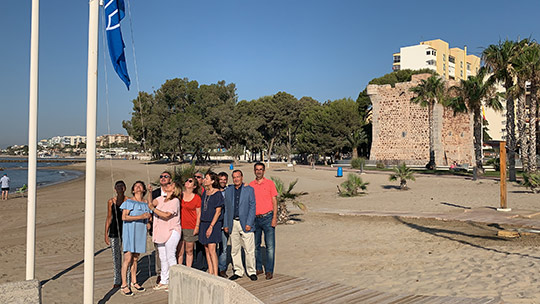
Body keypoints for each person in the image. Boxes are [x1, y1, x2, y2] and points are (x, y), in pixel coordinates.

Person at [223, 170, 257, 281]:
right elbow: (227, 209)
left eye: (238, 177)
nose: (236, 179)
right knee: (235, 249)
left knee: (249, 249)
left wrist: (249, 223)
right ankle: (238, 271)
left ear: (242, 177)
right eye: (234, 177)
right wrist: (226, 224)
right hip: (233, 223)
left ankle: (251, 271)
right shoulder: (228, 190)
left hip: (246, 223)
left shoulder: (249, 190)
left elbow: (252, 207)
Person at [119, 181, 152, 296]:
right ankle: (124, 284)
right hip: (130, 231)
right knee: (127, 258)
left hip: (140, 232)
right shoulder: (129, 202)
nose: (138, 187)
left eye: (140, 186)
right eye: (136, 186)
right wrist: (140, 217)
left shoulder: (146, 203)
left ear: (143, 189)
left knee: (136, 258)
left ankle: (134, 281)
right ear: (133, 190)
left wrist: (147, 221)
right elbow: (124, 217)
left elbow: (148, 216)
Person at [148, 181, 181, 291]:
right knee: (162, 257)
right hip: (160, 231)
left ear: (174, 189)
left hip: (172, 230)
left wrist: (153, 209)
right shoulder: (161, 198)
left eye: (170, 185)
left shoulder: (175, 201)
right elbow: (151, 203)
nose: (167, 185)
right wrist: (150, 192)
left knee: (170, 255)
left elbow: (167, 215)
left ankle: (174, 281)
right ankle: (164, 280)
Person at [249, 162, 278, 280]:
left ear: (264, 171)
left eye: (261, 169)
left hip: (268, 217)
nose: (259, 171)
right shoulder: (251, 185)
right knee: (255, 245)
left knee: (270, 246)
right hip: (255, 219)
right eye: (257, 169)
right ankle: (258, 267)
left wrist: (274, 217)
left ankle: (269, 270)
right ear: (254, 171)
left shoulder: (270, 184)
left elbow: (274, 202)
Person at [199, 171, 224, 276]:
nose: (205, 180)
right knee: (206, 248)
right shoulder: (205, 192)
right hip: (204, 223)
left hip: (213, 224)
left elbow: (218, 212)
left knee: (212, 249)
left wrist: (211, 226)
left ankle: (215, 274)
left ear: (212, 181)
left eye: (207, 178)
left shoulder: (217, 194)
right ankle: (210, 271)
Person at [104, 180, 128, 289]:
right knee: (115, 256)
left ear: (125, 188)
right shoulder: (111, 202)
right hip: (114, 230)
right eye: (118, 186)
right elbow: (109, 218)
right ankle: (117, 279)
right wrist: (106, 233)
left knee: (127, 255)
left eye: (122, 186)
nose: (120, 188)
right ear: (115, 189)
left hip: (126, 230)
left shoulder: (128, 200)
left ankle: (126, 278)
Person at [151, 171, 172, 284]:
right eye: (161, 176)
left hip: (171, 226)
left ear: (170, 180)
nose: (163, 178)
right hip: (158, 226)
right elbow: (150, 207)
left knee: (171, 251)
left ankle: (171, 272)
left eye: (166, 176)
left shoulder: (174, 193)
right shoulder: (154, 193)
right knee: (159, 252)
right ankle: (160, 274)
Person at [177, 176, 201, 267]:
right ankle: (179, 268)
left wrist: (197, 226)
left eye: (190, 181)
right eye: (187, 180)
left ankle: (188, 268)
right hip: (179, 225)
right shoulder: (180, 195)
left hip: (191, 226)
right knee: (180, 250)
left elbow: (199, 213)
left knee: (189, 250)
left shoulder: (197, 198)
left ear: (194, 186)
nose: (187, 182)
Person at [217, 171, 230, 278]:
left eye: (224, 179)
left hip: (225, 223)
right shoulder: (213, 191)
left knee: (223, 248)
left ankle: (222, 269)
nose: (222, 181)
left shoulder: (229, 191)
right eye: (220, 179)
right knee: (211, 247)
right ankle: (213, 267)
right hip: (214, 223)